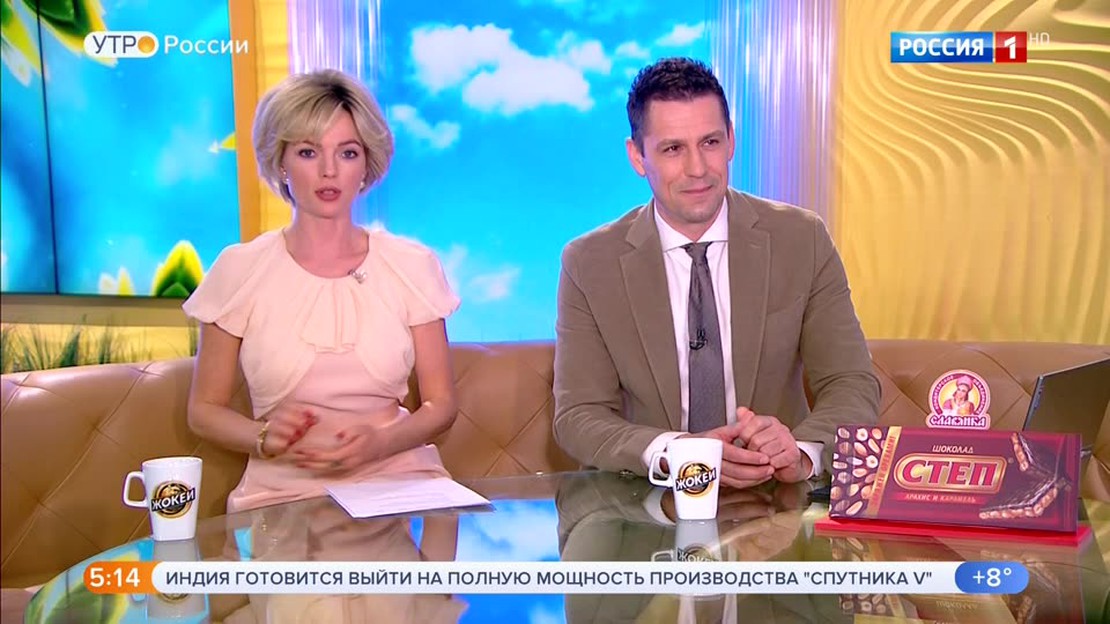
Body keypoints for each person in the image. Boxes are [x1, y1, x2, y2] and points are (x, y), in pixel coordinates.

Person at [553, 57, 880, 489]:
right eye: (673, 149)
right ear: (638, 157)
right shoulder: (590, 262)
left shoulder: (802, 240)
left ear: (731, 141)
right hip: (647, 498)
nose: (697, 169)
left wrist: (801, 453)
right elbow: (578, 416)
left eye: (709, 142)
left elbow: (851, 383)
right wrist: (678, 453)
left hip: (775, 497)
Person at [184, 69, 460, 513]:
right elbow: (204, 410)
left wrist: (381, 442)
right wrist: (262, 437)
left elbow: (441, 404)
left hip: (401, 482)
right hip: (283, 492)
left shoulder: (412, 265)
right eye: (308, 152)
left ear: (366, 164)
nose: (329, 171)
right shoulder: (240, 270)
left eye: (347, 153)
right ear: (280, 162)